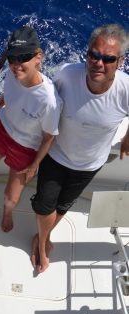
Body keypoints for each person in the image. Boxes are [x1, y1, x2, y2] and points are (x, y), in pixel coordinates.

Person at [31, 24, 129, 273]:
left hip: (89, 165)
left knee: (63, 206)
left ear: (120, 62)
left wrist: (127, 137)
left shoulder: (125, 90)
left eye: (108, 59)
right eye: (94, 55)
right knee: (44, 206)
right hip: (55, 156)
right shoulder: (66, 74)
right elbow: (45, 101)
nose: (98, 63)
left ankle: (45, 236)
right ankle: (42, 243)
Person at [0, 26, 62, 229]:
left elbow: (48, 138)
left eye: (23, 57)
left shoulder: (50, 101)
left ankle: (7, 213)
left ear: (38, 57)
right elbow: (8, 95)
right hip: (1, 129)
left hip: (26, 146)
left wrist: (34, 165)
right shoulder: (12, 74)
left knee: (11, 198)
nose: (16, 65)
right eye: (12, 58)